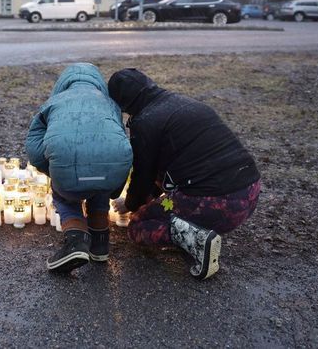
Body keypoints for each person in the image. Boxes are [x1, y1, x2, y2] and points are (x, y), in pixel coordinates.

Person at [107, 68, 261, 279]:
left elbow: (143, 175)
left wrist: (132, 204)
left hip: (216, 203)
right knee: (164, 204)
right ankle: (194, 231)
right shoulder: (184, 102)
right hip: (250, 192)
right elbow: (156, 176)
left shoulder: (145, 122)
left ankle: (196, 240)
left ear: (122, 104)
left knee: (139, 225)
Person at [26, 63, 133, 273]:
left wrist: (53, 171)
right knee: (99, 187)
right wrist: (116, 185)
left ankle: (76, 242)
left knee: (64, 197)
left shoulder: (53, 103)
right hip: (110, 175)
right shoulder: (111, 104)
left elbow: (34, 148)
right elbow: (118, 140)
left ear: (63, 83)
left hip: (68, 175)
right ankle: (100, 245)